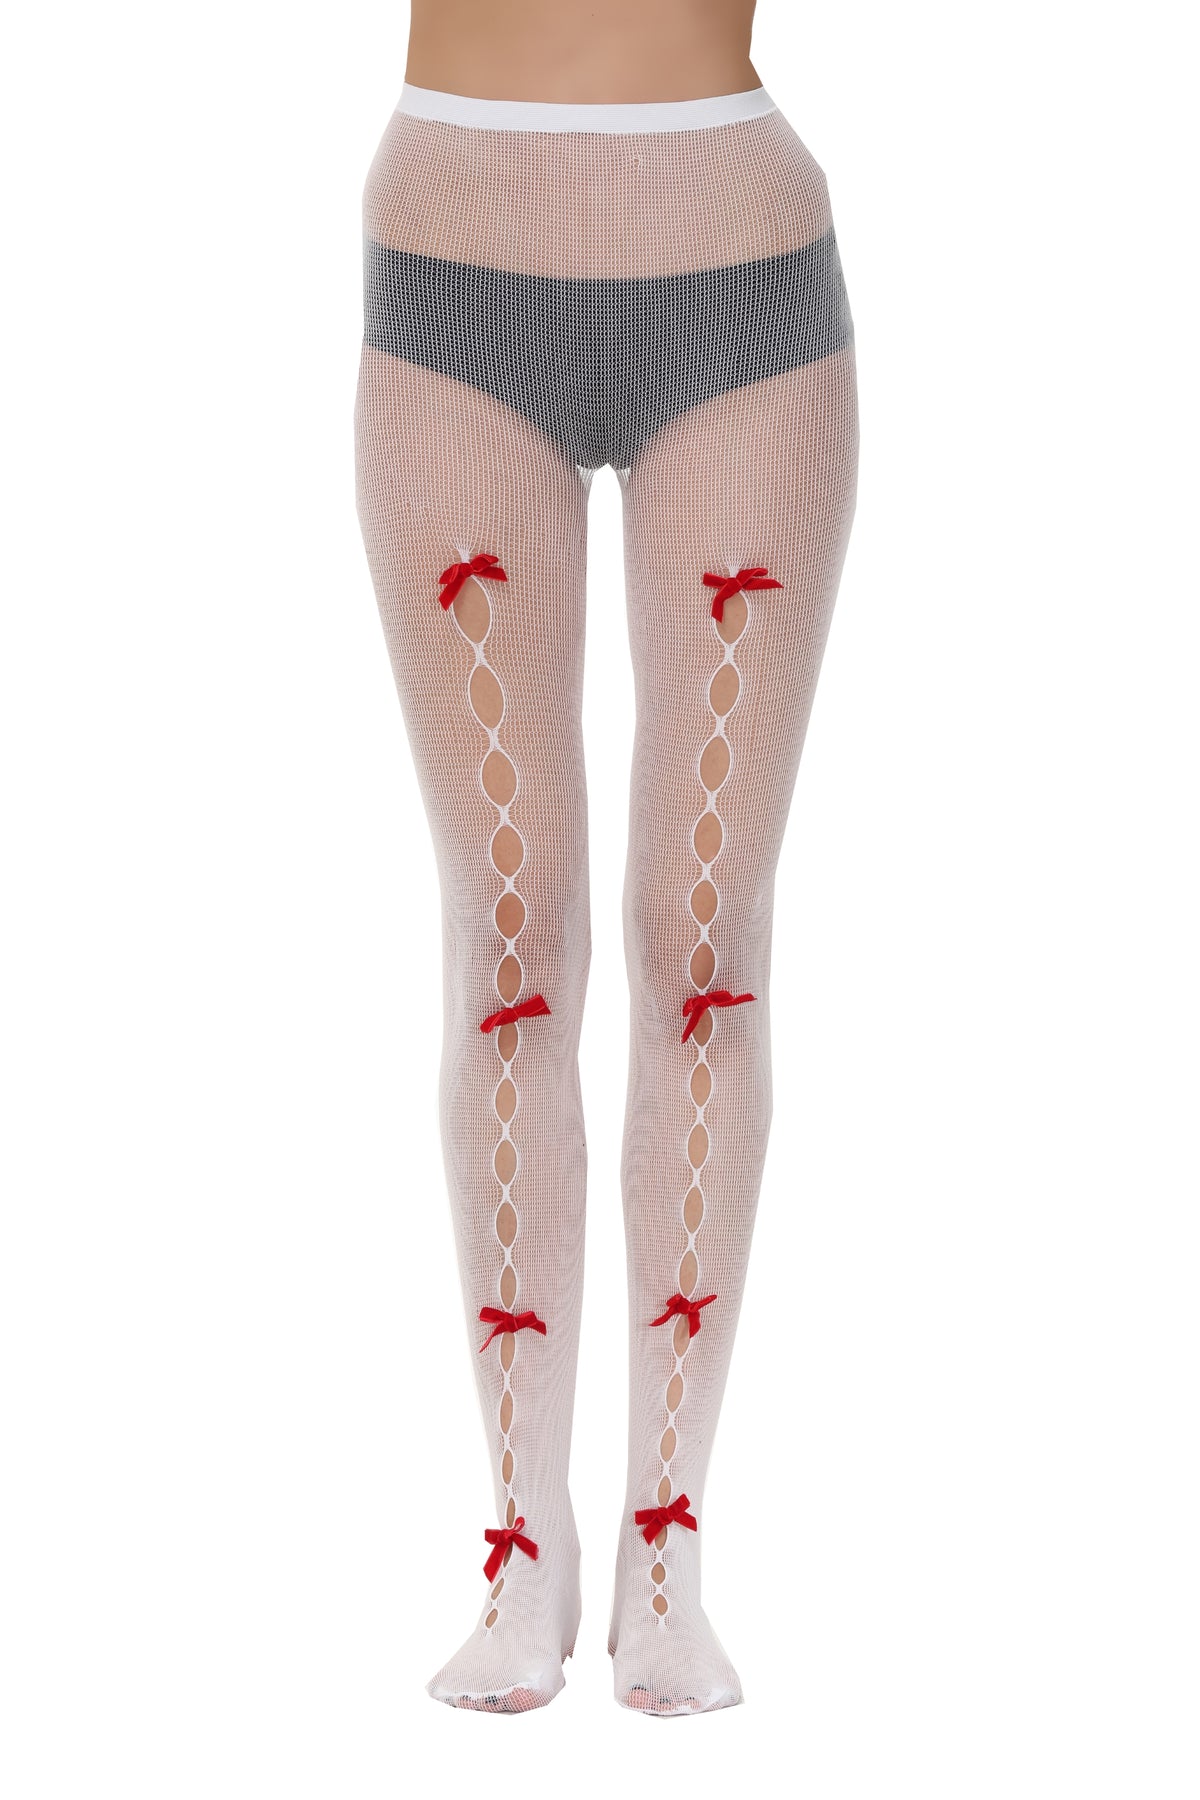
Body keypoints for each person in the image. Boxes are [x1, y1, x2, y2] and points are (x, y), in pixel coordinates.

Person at [354, 0, 859, 1716]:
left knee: (701, 938)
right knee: (511, 930)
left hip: (739, 254)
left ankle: (667, 1551)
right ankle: (522, 1541)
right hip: (454, 257)